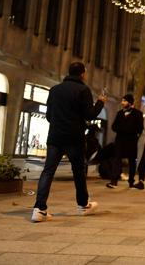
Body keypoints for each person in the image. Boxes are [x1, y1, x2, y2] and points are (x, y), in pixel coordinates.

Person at [31, 62, 105, 222]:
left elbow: (49, 115)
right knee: (78, 171)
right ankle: (83, 205)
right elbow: (89, 115)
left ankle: (39, 208)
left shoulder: (55, 90)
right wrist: (100, 103)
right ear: (82, 74)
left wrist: (59, 124)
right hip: (74, 138)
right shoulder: (83, 90)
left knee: (48, 171)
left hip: (55, 137)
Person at [107, 94, 143, 189]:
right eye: (122, 100)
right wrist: (126, 129)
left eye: (124, 101)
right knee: (116, 160)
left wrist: (124, 129)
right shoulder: (119, 113)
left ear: (129, 102)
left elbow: (139, 128)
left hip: (132, 142)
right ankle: (114, 181)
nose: (122, 102)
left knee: (132, 162)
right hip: (120, 141)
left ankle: (131, 181)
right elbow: (114, 126)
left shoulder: (138, 114)